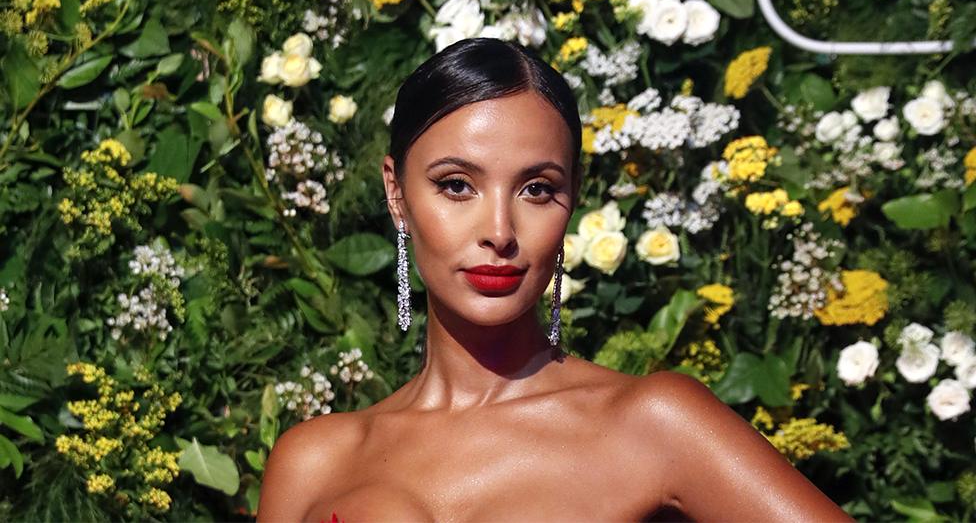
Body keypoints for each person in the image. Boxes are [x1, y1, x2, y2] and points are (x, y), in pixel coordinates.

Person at [258, 38, 851, 522]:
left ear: (572, 199)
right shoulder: (314, 462)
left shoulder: (655, 424)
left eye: (536, 189)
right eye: (457, 185)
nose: (499, 230)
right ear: (397, 194)